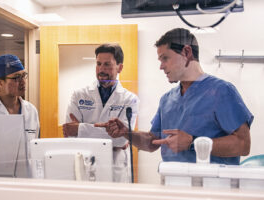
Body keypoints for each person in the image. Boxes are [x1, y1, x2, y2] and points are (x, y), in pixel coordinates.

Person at [96, 28, 253, 165]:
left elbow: (243, 144)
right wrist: (127, 133)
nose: (161, 66)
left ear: (186, 52)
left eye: (165, 58)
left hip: (213, 187)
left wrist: (193, 143)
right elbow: (152, 142)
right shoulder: (167, 99)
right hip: (173, 183)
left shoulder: (221, 91)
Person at [62, 43, 139, 182]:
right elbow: (69, 133)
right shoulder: (79, 95)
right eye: (98, 64)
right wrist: (109, 134)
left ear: (119, 67)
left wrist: (80, 129)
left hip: (115, 168)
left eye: (107, 64)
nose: (101, 69)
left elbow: (121, 139)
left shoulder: (130, 99)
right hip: (84, 165)